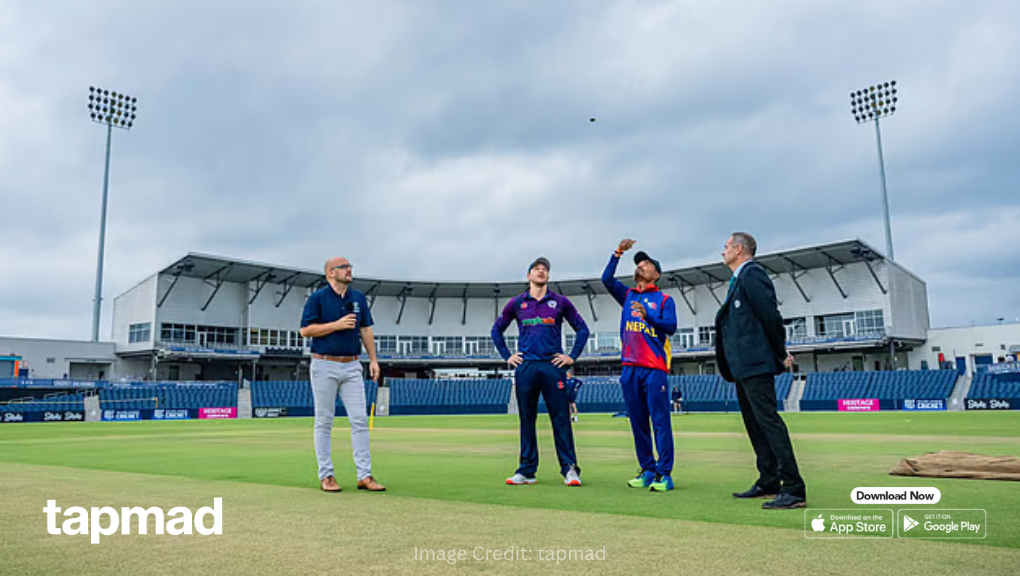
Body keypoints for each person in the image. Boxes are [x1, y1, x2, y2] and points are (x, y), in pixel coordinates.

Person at [715, 233, 806, 510]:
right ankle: (769, 479)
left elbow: (770, 316)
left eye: (727, 247)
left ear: (739, 249)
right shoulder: (738, 279)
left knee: (768, 422)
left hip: (756, 363)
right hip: (742, 366)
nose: (723, 252)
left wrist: (780, 352)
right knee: (754, 425)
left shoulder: (752, 274)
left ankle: (793, 487)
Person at [492, 257, 590, 487]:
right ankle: (526, 470)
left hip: (553, 366)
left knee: (561, 418)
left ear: (548, 276)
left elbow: (582, 329)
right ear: (528, 276)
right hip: (526, 367)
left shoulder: (560, 302)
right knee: (527, 419)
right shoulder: (517, 303)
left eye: (545, 269)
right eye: (536, 269)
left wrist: (571, 356)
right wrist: (508, 356)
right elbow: (496, 330)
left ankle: (570, 469)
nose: (541, 271)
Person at [300, 256, 386, 493]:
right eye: (344, 267)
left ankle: (364, 475)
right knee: (324, 421)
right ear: (330, 272)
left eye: (350, 267)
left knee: (359, 420)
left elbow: (365, 329)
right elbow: (305, 330)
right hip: (324, 364)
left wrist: (374, 360)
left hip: (352, 365)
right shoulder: (317, 299)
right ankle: (326, 475)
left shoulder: (358, 298)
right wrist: (336, 325)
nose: (349, 270)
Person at [601, 239, 678, 492]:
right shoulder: (628, 295)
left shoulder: (664, 299)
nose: (641, 266)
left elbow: (671, 327)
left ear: (656, 274)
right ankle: (647, 469)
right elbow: (606, 279)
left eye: (646, 264)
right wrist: (618, 253)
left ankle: (664, 474)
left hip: (654, 368)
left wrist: (649, 316)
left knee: (660, 422)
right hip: (629, 367)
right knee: (638, 422)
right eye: (639, 263)